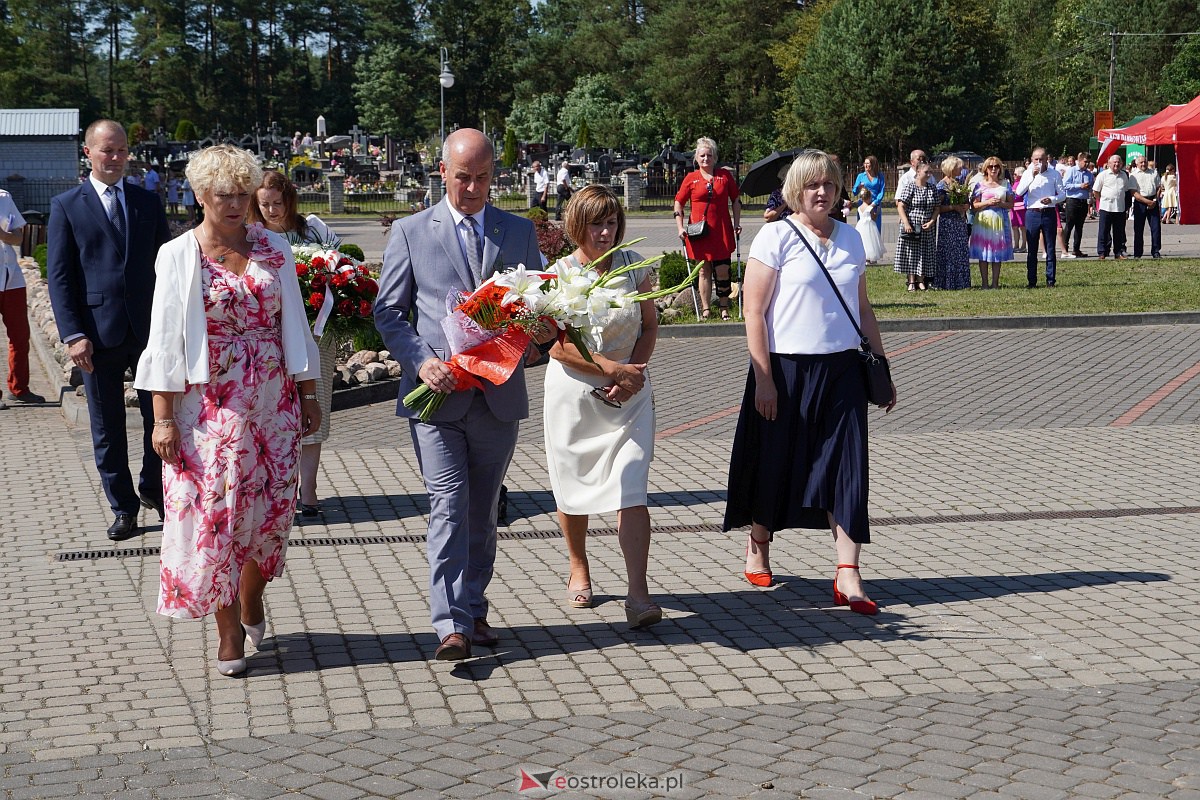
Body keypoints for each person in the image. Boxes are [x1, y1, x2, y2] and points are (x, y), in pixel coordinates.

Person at [134, 145, 321, 677]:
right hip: (210, 409)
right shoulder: (178, 255)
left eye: (243, 192)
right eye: (225, 194)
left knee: (271, 516)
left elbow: (297, 328)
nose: (237, 203)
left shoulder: (274, 248)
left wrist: (308, 394)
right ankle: (228, 630)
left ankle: (251, 598)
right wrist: (163, 417)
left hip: (275, 406)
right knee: (218, 518)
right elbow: (165, 340)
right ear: (199, 195)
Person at [374, 128, 548, 661]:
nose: (471, 187)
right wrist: (420, 361)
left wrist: (539, 333)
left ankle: (472, 605)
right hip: (437, 394)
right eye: (462, 177)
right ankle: (449, 621)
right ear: (442, 172)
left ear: (494, 174)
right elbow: (388, 311)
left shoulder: (517, 231)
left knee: (483, 508)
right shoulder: (409, 232)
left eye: (482, 177)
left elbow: (537, 301)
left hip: (496, 396)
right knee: (448, 504)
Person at [724, 149, 895, 615]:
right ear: (796, 191)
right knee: (777, 463)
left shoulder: (852, 240)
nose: (822, 193)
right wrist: (763, 379)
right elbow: (753, 312)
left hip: (842, 372)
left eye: (830, 185)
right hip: (784, 371)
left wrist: (880, 364)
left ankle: (848, 574)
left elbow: (862, 309)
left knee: (847, 468)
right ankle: (759, 542)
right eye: (813, 185)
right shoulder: (775, 237)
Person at [543, 185, 662, 628]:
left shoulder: (634, 268)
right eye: (597, 223)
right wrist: (611, 368)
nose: (606, 231)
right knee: (572, 488)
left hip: (630, 394)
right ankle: (578, 566)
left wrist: (634, 371)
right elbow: (555, 347)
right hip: (575, 398)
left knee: (631, 485)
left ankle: (638, 594)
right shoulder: (559, 274)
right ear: (578, 225)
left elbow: (649, 325)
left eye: (612, 222)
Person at [47, 119, 171, 542]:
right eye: (106, 150)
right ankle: (124, 507)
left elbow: (166, 267)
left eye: (121, 150)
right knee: (107, 426)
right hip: (96, 337)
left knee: (163, 414)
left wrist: (172, 325)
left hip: (150, 331)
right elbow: (60, 277)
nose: (115, 158)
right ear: (89, 153)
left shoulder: (146, 201)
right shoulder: (67, 205)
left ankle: (154, 489)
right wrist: (72, 334)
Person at [250, 169, 343, 519]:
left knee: (314, 408)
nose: (272, 210)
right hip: (271, 339)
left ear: (290, 200)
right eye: (265, 205)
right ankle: (278, 488)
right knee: (273, 413)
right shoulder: (252, 237)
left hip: (316, 334)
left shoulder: (314, 230)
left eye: (278, 203)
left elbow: (341, 267)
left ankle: (310, 490)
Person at [673, 136, 742, 320]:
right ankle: (705, 309)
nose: (706, 159)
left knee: (723, 269)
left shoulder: (724, 176)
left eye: (709, 155)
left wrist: (737, 223)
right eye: (702, 155)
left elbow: (736, 200)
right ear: (696, 158)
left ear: (715, 157)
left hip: (721, 231)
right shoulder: (691, 178)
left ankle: (724, 307)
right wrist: (680, 227)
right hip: (699, 232)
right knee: (703, 270)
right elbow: (678, 203)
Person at [0, 189, 44, 406]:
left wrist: (2, 234)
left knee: (20, 337)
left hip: (11, 278)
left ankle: (19, 388)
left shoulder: (4, 198)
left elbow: (17, 238)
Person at [1014, 147, 1065, 287]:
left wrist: (1052, 199)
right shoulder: (1027, 174)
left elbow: (1062, 195)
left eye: (1041, 159)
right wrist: (1032, 175)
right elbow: (1019, 192)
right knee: (1032, 249)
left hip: (1048, 212)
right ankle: (1031, 280)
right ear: (1031, 160)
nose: (1039, 162)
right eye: (1036, 159)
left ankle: (1050, 280)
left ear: (1046, 159)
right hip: (1032, 213)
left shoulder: (1054, 174)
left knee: (1050, 248)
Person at [969, 157, 1014, 289]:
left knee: (997, 252)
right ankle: (984, 283)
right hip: (983, 222)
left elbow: (1011, 204)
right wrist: (988, 202)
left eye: (996, 166)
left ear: (1000, 168)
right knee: (983, 253)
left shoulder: (1005, 184)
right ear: (985, 169)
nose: (993, 169)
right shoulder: (980, 185)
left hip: (1000, 221)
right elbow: (974, 205)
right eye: (990, 166)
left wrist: (1001, 203)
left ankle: (995, 283)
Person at [894, 161, 939, 291]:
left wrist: (931, 221)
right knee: (911, 253)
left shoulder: (932, 188)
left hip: (927, 226)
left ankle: (921, 280)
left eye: (930, 172)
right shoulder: (910, 186)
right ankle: (911, 281)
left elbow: (937, 207)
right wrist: (906, 223)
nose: (929, 174)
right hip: (912, 225)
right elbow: (901, 206)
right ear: (918, 172)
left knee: (925, 253)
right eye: (926, 172)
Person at [934, 156, 971, 290]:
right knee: (949, 253)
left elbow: (966, 201)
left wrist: (966, 206)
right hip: (948, 223)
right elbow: (937, 208)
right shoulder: (941, 186)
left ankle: (961, 282)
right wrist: (952, 207)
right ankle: (947, 282)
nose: (961, 169)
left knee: (960, 251)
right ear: (951, 168)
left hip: (960, 222)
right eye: (958, 167)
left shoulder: (959, 184)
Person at [1092, 154, 1134, 260]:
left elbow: (1126, 190)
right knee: (1103, 231)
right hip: (1106, 207)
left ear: (1121, 164)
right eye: (1114, 162)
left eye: (1118, 162)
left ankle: (1118, 252)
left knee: (1119, 232)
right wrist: (1101, 201)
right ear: (1109, 163)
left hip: (1119, 208)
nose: (1116, 164)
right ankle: (1102, 252)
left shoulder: (1124, 175)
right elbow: (1096, 191)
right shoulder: (1103, 175)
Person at [1129, 154, 1162, 259]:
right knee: (1138, 229)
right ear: (1137, 164)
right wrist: (1147, 202)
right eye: (1141, 162)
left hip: (1153, 201)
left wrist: (1155, 200)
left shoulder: (1154, 173)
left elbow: (1158, 188)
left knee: (1156, 228)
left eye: (1145, 162)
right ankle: (1138, 253)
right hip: (1140, 202)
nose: (1143, 164)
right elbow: (1133, 192)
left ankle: (1156, 251)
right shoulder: (1133, 175)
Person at [1061, 152, 1092, 258]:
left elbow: (1092, 185)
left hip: (1083, 202)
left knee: (1080, 226)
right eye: (1085, 162)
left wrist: (1089, 187)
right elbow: (1065, 185)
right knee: (1069, 225)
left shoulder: (1089, 173)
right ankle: (1064, 249)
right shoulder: (1072, 171)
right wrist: (1079, 185)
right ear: (1079, 161)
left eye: (1088, 162)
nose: (1087, 164)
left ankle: (1076, 249)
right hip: (1073, 201)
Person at [852, 155, 887, 234]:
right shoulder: (861, 176)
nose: (866, 165)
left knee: (875, 230)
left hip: (875, 205)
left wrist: (874, 203)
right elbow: (854, 192)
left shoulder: (880, 176)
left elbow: (881, 191)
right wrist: (858, 187)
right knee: (863, 228)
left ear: (873, 164)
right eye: (865, 163)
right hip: (863, 205)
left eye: (868, 163)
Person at [853, 186, 884, 263]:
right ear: (869, 198)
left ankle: (865, 258)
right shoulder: (870, 207)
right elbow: (873, 218)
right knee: (871, 242)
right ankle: (871, 258)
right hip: (869, 226)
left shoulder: (859, 208)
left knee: (863, 241)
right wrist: (877, 213)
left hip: (861, 225)